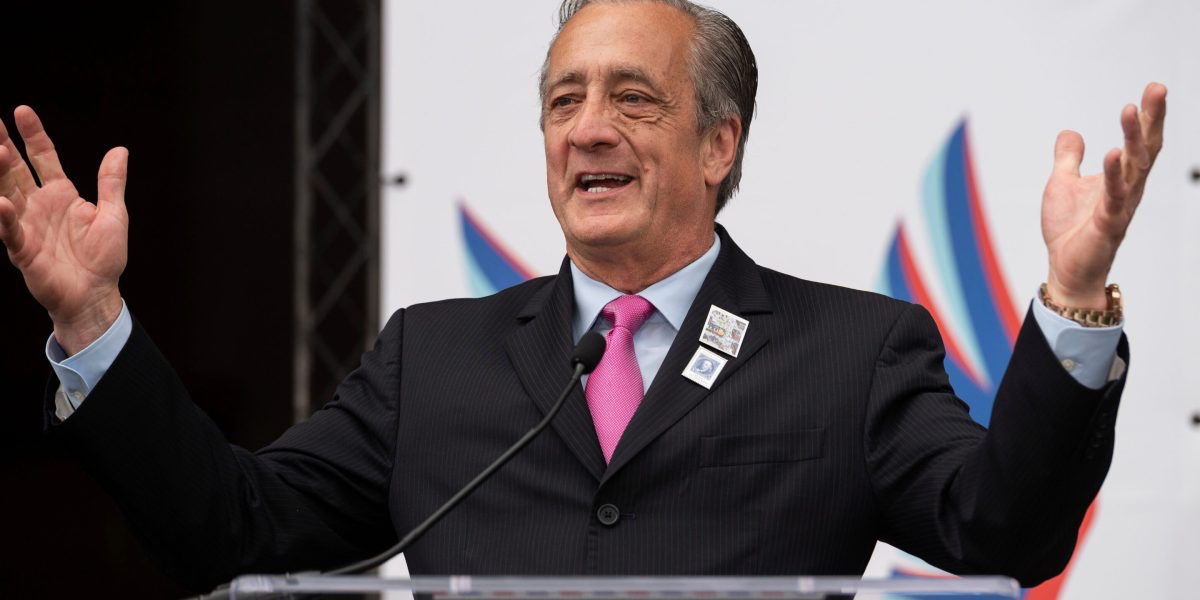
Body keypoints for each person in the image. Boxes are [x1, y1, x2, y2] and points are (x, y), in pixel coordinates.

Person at [0, 0, 1167, 593]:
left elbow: (1003, 530)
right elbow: (229, 528)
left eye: (631, 99)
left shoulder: (851, 349)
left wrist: (1072, 302)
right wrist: (92, 325)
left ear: (719, 144)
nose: (587, 130)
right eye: (563, 102)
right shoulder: (430, 360)